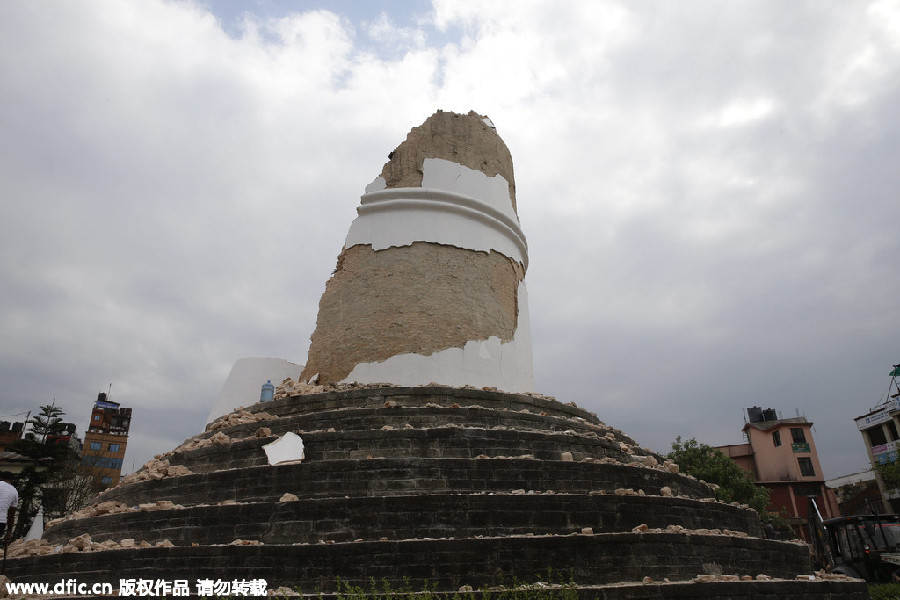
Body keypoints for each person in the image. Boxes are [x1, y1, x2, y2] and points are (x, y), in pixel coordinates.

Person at [0, 472, 18, 544]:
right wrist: (9, 532)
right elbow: (11, 515)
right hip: (1, 522)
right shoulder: (14, 491)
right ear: (11, 480)